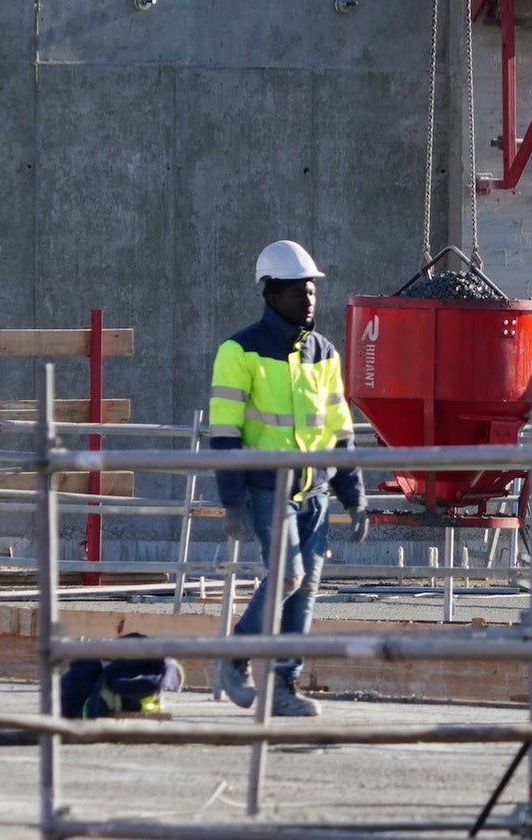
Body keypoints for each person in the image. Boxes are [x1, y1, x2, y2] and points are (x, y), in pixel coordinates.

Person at [209, 239, 368, 716]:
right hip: (266, 488)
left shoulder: (324, 352)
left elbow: (339, 429)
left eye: (314, 290)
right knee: (287, 577)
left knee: (306, 590)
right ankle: (233, 659)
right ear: (272, 292)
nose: (310, 299)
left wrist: (353, 493)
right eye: (300, 291)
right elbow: (224, 430)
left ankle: (282, 687)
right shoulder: (240, 350)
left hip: (315, 491)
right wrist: (232, 499)